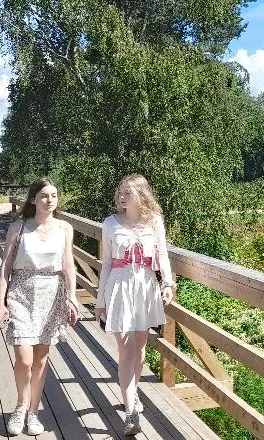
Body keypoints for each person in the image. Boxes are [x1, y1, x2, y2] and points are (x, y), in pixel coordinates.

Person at [0, 178, 79, 436]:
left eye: (53, 195)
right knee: (24, 358)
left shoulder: (64, 228)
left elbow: (68, 264)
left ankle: (33, 411)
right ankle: (20, 405)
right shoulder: (19, 227)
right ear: (32, 199)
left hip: (51, 293)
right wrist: (0, 301)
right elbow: (6, 265)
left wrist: (71, 296)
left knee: (41, 358)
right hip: (21, 291)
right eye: (43, 196)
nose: (49, 200)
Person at [95, 174, 175, 436]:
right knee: (126, 351)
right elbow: (106, 262)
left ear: (141, 195)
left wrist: (168, 284)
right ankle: (131, 413)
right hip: (118, 287)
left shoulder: (154, 222)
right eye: (120, 191)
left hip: (145, 287)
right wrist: (100, 300)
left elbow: (162, 254)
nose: (121, 195)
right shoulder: (109, 223)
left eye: (127, 192)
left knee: (139, 349)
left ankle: (132, 392)